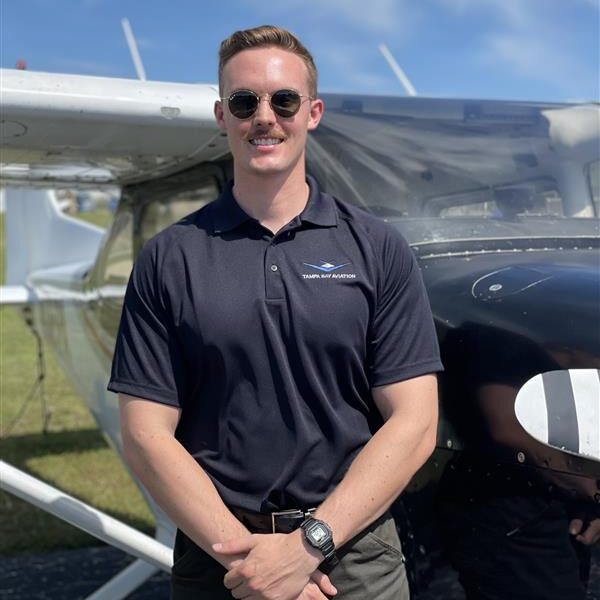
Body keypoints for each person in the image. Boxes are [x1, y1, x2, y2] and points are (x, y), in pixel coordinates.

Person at [108, 25, 442, 600]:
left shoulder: (379, 248)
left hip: (353, 553)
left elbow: (415, 424)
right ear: (222, 116)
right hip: (222, 553)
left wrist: (305, 548)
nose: (265, 117)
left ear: (312, 113)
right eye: (245, 102)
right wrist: (254, 565)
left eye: (284, 100)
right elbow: (144, 434)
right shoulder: (168, 257)